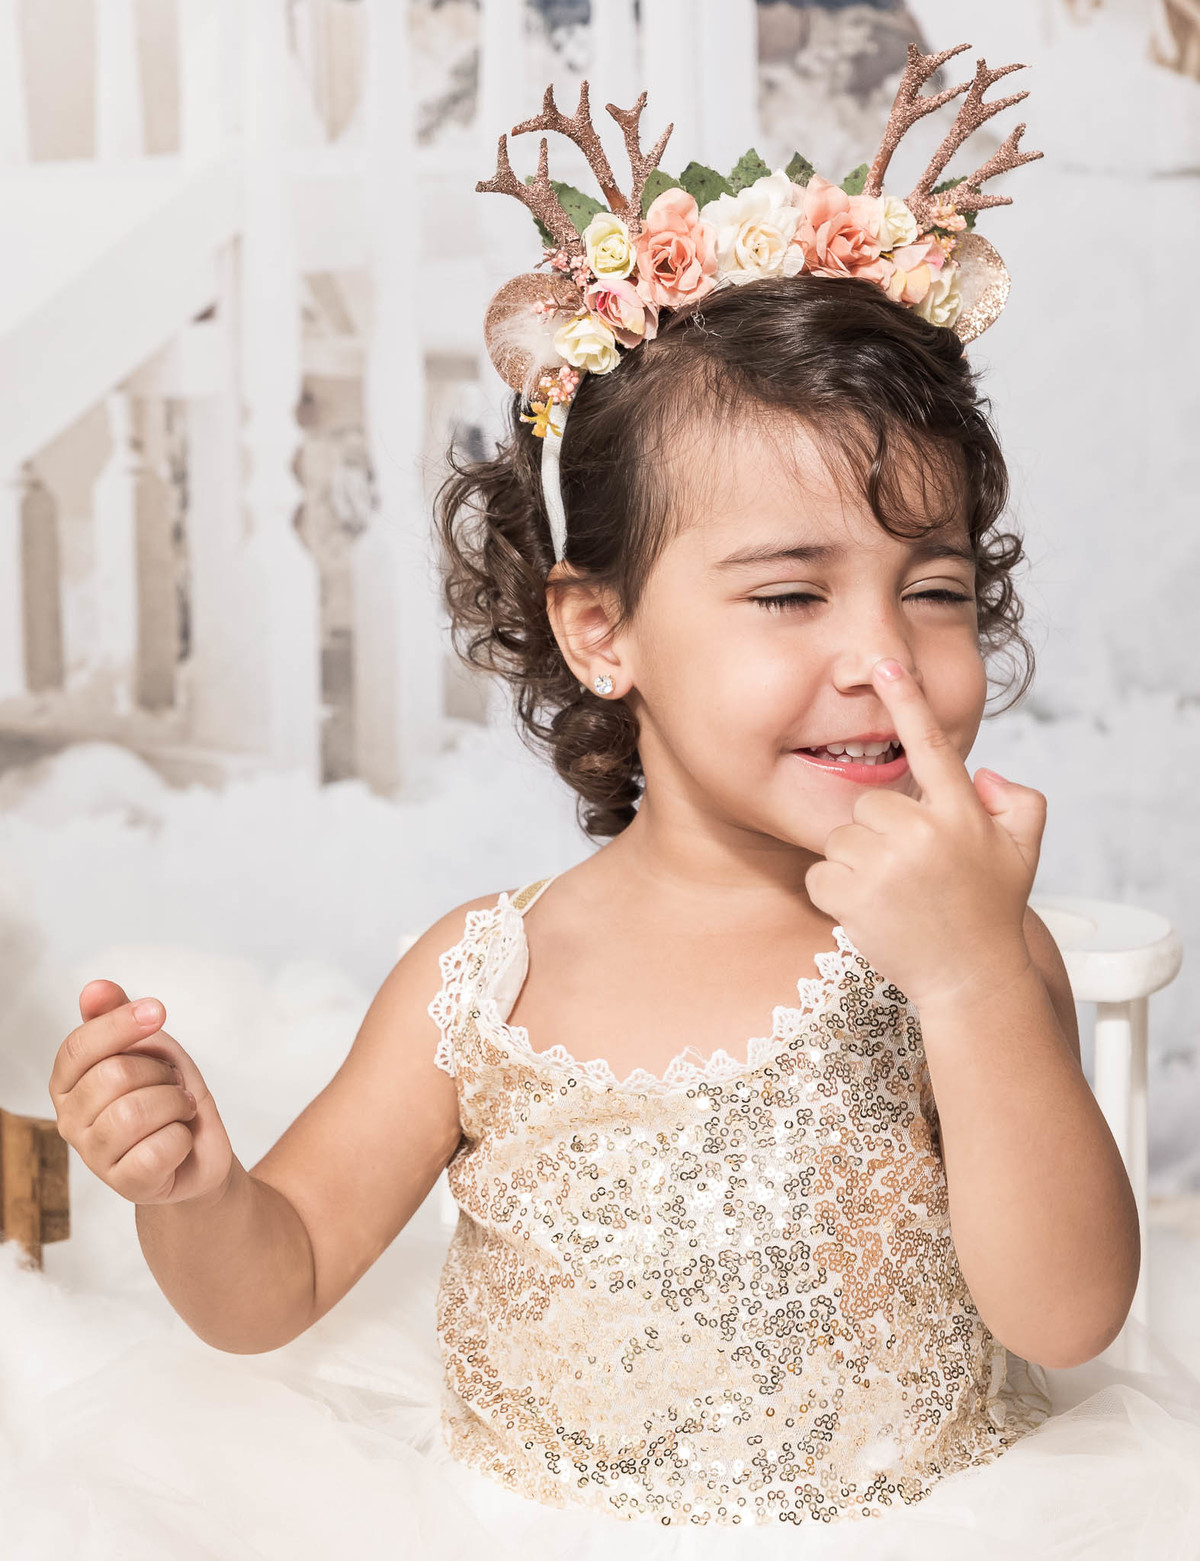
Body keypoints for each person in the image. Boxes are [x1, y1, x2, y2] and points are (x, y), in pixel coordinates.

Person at [21, 48, 1200, 1561]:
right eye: (790, 594)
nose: (883, 660)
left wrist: (976, 974)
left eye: (935, 589)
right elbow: (280, 1279)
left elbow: (1069, 1313)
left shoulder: (960, 941)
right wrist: (194, 1191)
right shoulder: (485, 973)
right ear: (601, 631)